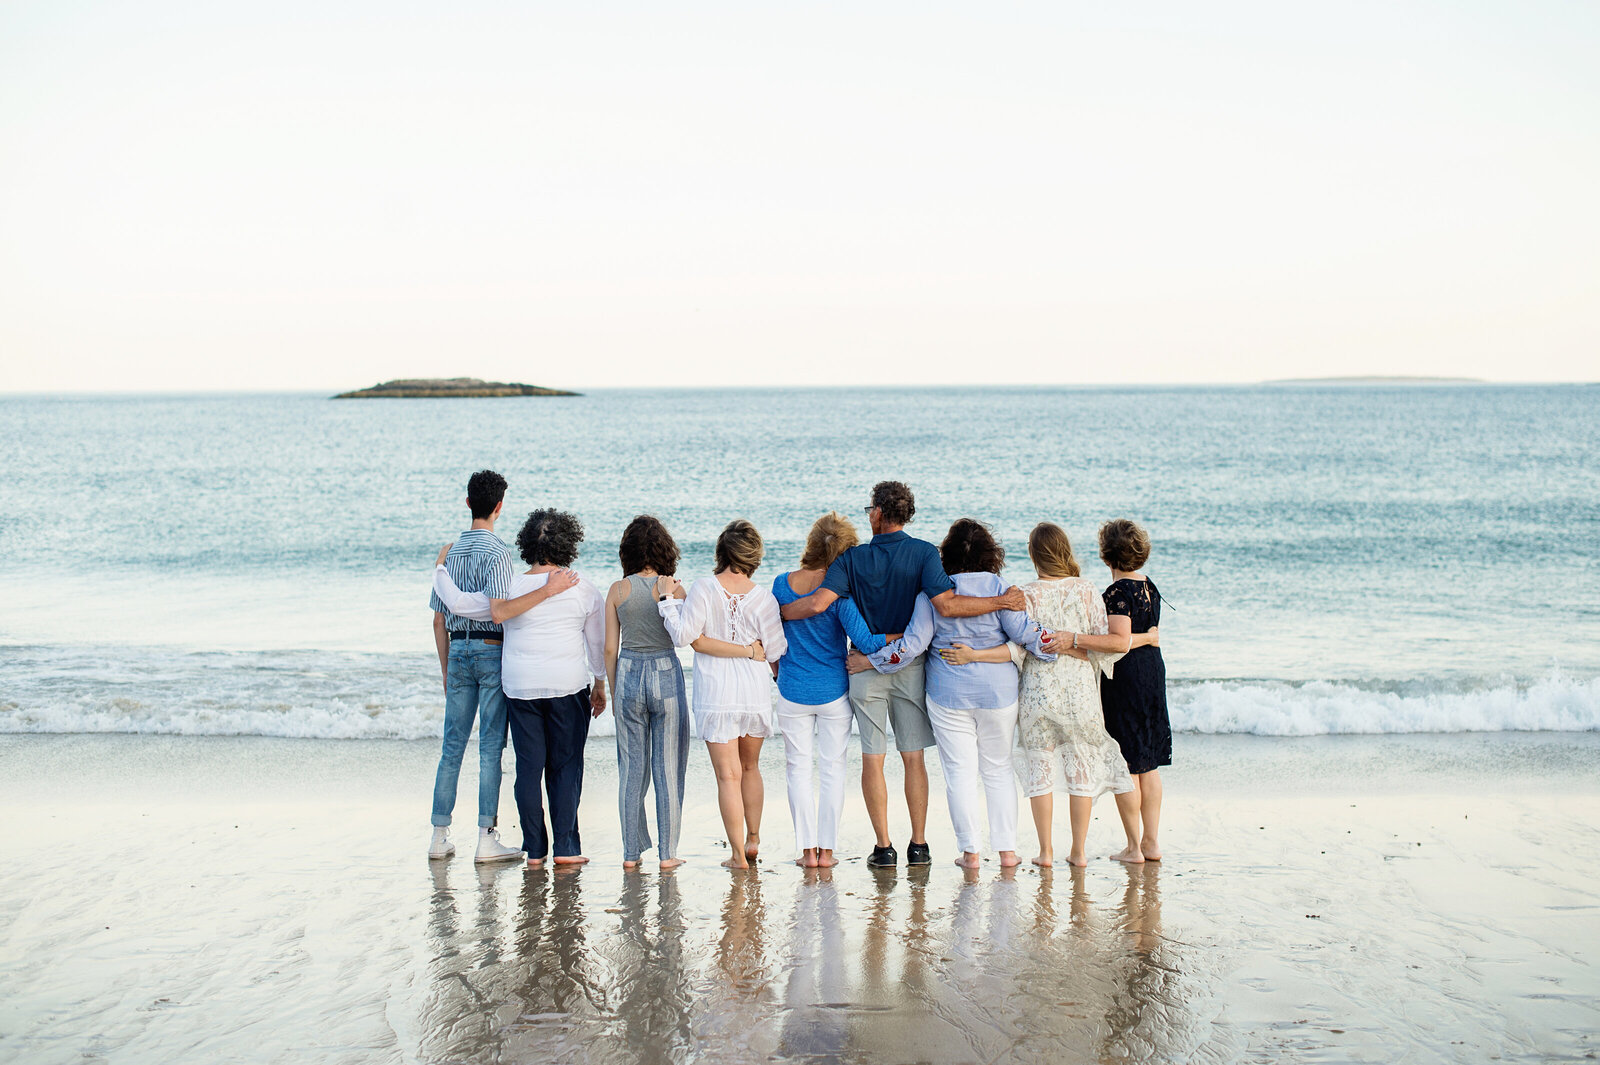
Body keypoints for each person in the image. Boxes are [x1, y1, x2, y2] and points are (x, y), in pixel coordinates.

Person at [784, 480, 1025, 869]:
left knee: (873, 759)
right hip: (912, 666)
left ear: (878, 513)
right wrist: (1001, 601)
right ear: (906, 514)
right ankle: (919, 845)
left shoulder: (851, 560)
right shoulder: (925, 554)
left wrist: (779, 612)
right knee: (914, 758)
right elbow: (947, 606)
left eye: (869, 511)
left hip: (864, 667)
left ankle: (883, 848)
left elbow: (816, 604)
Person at [944, 522, 1157, 868]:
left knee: (1039, 770)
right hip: (1080, 694)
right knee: (1081, 772)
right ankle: (1078, 852)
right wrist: (1074, 645)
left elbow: (1017, 650)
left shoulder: (1022, 594)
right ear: (1064, 551)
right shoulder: (1087, 590)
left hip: (1038, 694)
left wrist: (974, 654)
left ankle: (1045, 853)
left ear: (1033, 555)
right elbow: (1107, 647)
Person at [870, 519, 1053, 870]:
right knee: (998, 769)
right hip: (998, 694)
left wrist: (873, 659)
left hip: (948, 694)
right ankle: (1007, 853)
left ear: (947, 554)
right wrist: (1060, 645)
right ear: (991, 554)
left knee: (960, 774)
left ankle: (970, 853)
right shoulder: (1002, 589)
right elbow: (1027, 634)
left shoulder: (933, 594)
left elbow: (913, 645)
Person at [433, 509, 606, 868]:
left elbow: (462, 605)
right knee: (566, 767)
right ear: (569, 545)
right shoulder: (584, 588)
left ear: (526, 544)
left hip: (520, 688)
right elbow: (596, 646)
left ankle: (535, 850)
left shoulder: (509, 586)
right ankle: (567, 849)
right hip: (567, 686)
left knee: (529, 768)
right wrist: (600, 684)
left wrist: (441, 570)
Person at [656, 520, 787, 870]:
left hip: (717, 692)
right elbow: (775, 649)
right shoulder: (764, 598)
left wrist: (668, 601)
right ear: (753, 554)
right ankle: (754, 838)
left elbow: (684, 636)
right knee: (751, 767)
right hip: (753, 690)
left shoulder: (703, 588)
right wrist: (752, 648)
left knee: (728, 776)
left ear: (721, 552)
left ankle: (737, 856)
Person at [771, 513, 892, 869]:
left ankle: (806, 853)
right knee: (833, 769)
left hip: (792, 690)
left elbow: (767, 635)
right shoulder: (839, 592)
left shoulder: (781, 584)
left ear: (811, 542)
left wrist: (777, 672)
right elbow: (867, 641)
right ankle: (827, 853)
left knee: (797, 769)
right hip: (833, 693)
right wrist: (903, 635)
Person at [603, 515, 691, 871]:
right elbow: (683, 636)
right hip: (666, 674)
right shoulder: (675, 589)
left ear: (628, 551)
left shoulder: (617, 590)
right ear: (664, 549)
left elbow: (610, 649)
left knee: (632, 770)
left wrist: (611, 691)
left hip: (628, 674)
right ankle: (667, 854)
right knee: (668, 769)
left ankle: (630, 854)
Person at [1096, 518, 1170, 863]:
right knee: (1148, 763)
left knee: (1127, 762)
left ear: (1106, 554)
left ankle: (1134, 846)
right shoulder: (1149, 586)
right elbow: (1146, 634)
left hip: (1127, 677)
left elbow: (1120, 642)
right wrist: (1150, 638)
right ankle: (1151, 842)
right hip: (1153, 672)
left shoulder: (1116, 593)